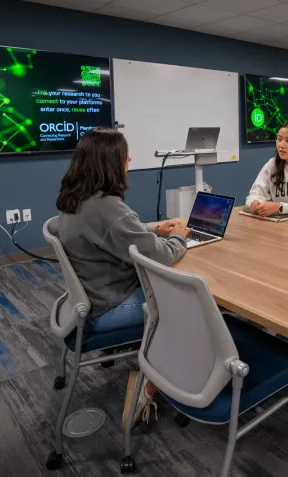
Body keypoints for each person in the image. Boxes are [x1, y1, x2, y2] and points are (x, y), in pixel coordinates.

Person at [56, 127, 189, 428]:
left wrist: (153, 229)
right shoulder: (107, 207)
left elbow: (115, 234)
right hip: (107, 306)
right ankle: (155, 384)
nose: (129, 159)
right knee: (183, 305)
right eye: (124, 155)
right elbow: (157, 256)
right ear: (109, 162)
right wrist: (179, 238)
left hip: (90, 297)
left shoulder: (77, 198)